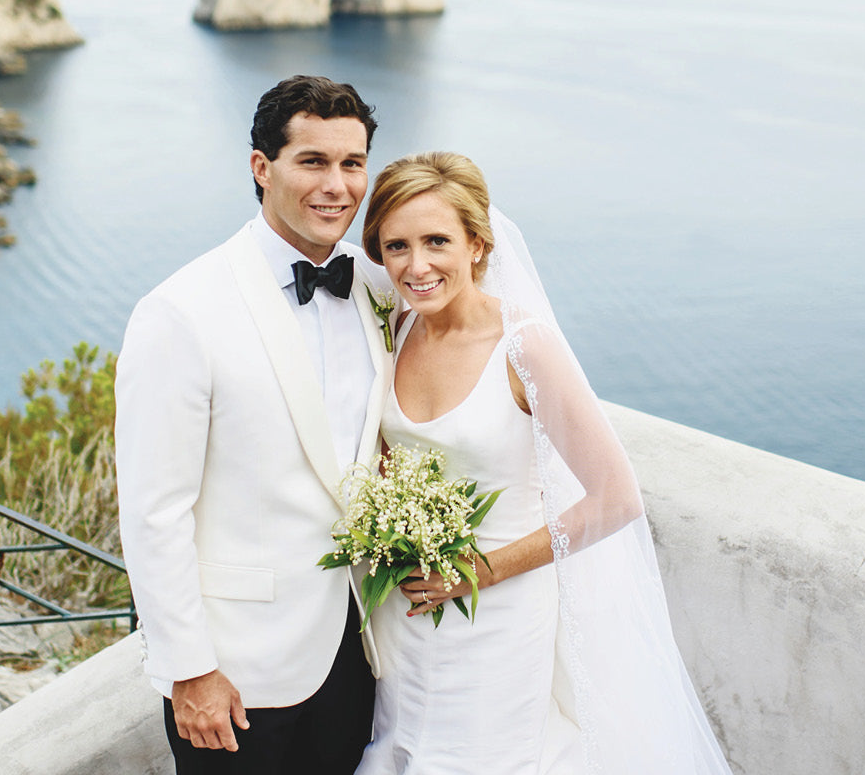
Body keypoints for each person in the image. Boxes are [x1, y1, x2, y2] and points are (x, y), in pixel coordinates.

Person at [355, 151, 733, 774]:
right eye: (396, 247)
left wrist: (478, 572)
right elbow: (398, 454)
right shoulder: (398, 323)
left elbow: (616, 499)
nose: (416, 266)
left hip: (496, 615)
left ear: (478, 245)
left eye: (437, 242)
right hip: (409, 612)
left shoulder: (523, 345)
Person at [115, 76, 396, 775]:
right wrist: (189, 670)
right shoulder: (179, 312)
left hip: (357, 648)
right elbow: (155, 513)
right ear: (260, 168)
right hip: (235, 672)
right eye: (313, 162)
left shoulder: (381, 288)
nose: (338, 186)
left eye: (352, 163)